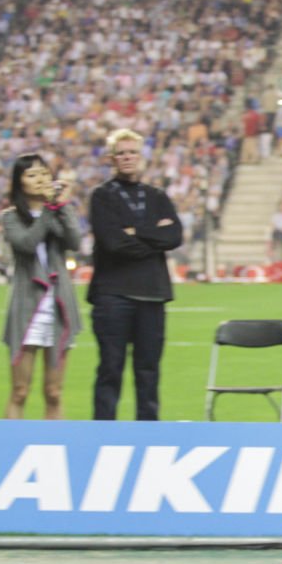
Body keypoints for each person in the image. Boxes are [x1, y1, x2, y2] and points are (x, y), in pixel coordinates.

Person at [88, 129, 183, 420]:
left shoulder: (157, 196)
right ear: (111, 159)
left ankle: (148, 434)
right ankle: (103, 433)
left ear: (142, 157)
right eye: (121, 153)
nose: (127, 158)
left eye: (132, 152)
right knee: (110, 368)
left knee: (149, 371)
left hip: (152, 293)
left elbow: (174, 236)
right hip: (112, 294)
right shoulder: (102, 196)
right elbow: (112, 241)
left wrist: (135, 232)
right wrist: (153, 236)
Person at [0, 153, 82, 419]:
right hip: (26, 308)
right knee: (20, 390)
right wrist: (48, 211)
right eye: (32, 175)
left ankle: (54, 453)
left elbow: (75, 241)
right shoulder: (10, 217)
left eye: (44, 173)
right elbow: (26, 243)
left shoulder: (58, 210)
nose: (40, 179)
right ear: (19, 182)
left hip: (58, 306)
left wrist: (62, 206)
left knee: (54, 391)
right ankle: (7, 453)